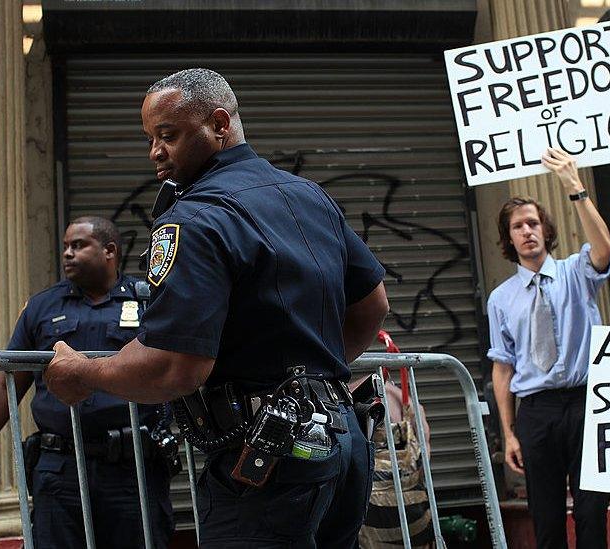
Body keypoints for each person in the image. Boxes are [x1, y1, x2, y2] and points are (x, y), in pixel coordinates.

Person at [43, 68, 389, 548]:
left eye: (168, 135)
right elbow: (372, 305)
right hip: (341, 443)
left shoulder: (196, 218)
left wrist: (82, 373)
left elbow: (174, 367)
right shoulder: (308, 195)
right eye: (150, 138)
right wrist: (311, 386)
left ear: (220, 125)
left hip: (270, 463)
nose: (155, 152)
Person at [0, 217, 173, 548]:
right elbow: (7, 386)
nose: (68, 254)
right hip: (60, 469)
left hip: (132, 468)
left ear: (109, 250)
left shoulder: (149, 303)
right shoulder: (42, 307)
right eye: (65, 246)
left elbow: (174, 372)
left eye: (79, 245)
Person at [488, 148, 610, 548]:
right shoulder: (500, 298)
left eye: (533, 223)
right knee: (546, 518)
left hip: (586, 402)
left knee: (592, 511)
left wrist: (574, 186)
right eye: (518, 227)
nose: (527, 231)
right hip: (537, 411)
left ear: (545, 230)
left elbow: (605, 251)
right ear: (508, 238)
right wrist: (508, 433)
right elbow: (502, 369)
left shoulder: (576, 272)